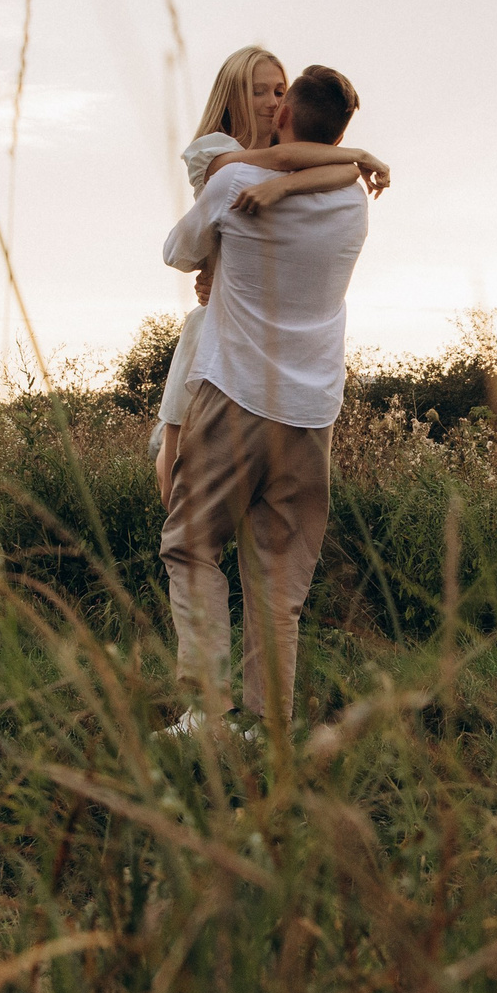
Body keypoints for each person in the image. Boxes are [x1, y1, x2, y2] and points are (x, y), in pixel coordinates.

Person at [157, 64, 370, 737]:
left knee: (191, 544)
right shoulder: (354, 199)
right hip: (312, 414)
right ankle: (265, 724)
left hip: (238, 395)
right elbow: (331, 170)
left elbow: (178, 252)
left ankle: (209, 713)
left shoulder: (234, 181)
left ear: (284, 120)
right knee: (279, 581)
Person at [152, 48, 389, 506]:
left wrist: (302, 179)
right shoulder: (216, 151)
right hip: (219, 323)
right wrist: (355, 154)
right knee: (178, 464)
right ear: (231, 97)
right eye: (256, 91)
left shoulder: (292, 158)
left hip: (245, 322)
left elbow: (332, 170)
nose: (271, 101)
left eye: (279, 91)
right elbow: (296, 163)